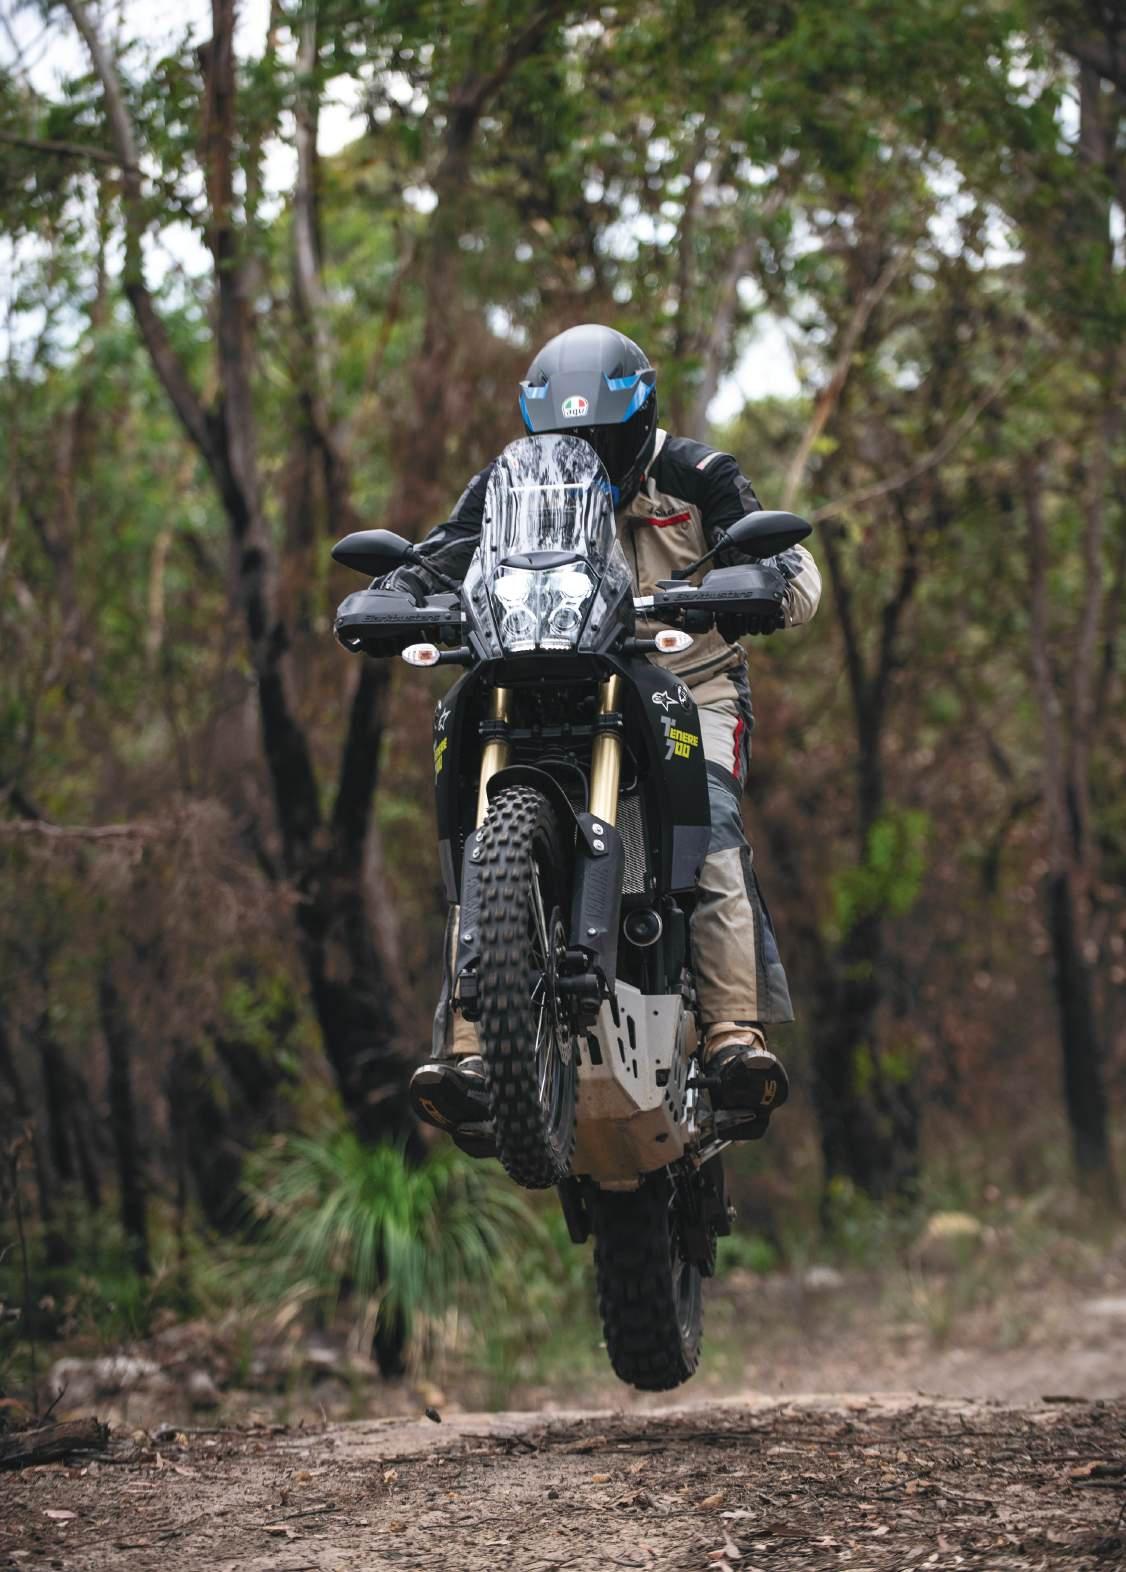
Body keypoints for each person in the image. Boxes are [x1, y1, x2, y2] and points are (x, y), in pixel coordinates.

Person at [383, 324, 821, 1142]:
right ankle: (475, 1047)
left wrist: (756, 582)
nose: (585, 452)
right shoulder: (511, 484)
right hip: (548, 674)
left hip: (687, 682)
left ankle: (732, 1031)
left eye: (603, 437)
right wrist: (395, 589)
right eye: (568, 437)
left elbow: (790, 570)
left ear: (640, 420)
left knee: (713, 823)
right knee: (480, 835)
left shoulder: (698, 474)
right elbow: (443, 552)